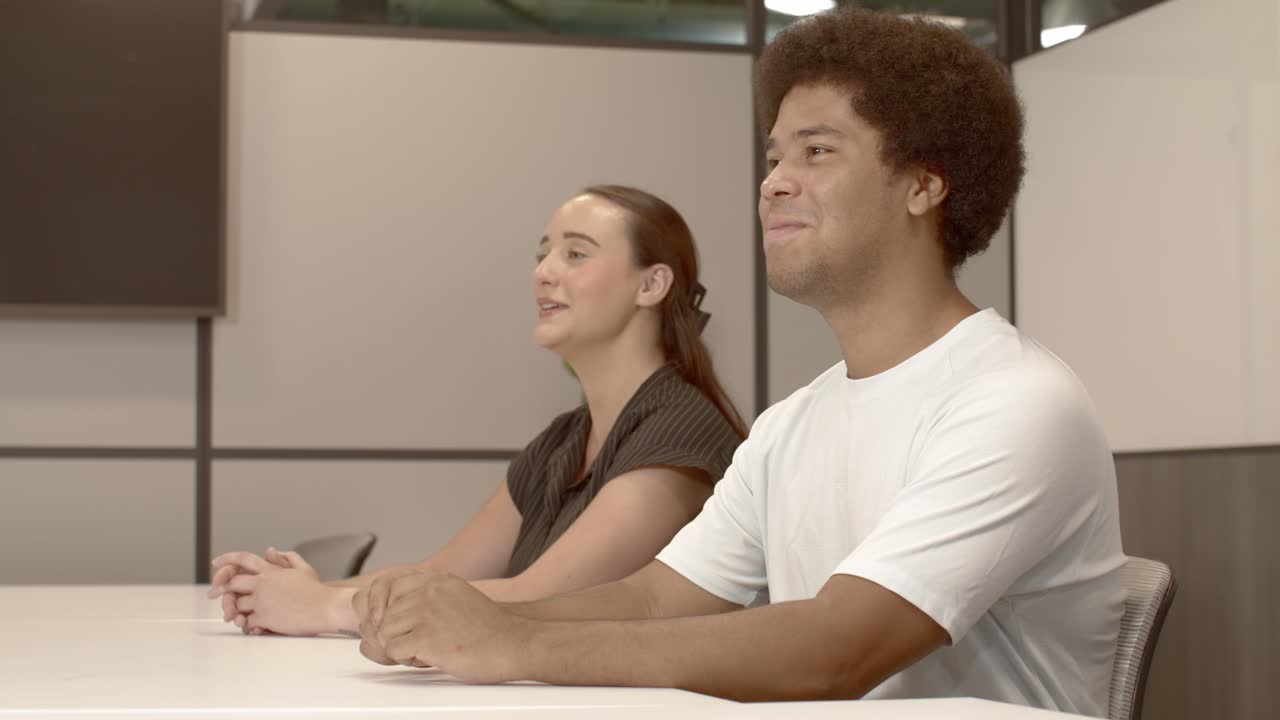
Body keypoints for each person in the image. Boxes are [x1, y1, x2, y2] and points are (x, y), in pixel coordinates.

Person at [350, 8, 1126, 717]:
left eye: (817, 151)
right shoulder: (792, 423)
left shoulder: (1017, 403)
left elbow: (837, 651)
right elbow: (658, 601)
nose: (774, 181)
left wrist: (511, 645)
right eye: (774, 155)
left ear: (923, 185)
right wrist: (463, 621)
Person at [208, 184, 748, 636]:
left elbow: (535, 599)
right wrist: (290, 590)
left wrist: (323, 609)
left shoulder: (682, 432)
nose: (543, 272)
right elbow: (442, 572)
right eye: (542, 255)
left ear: (651, 285)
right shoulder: (565, 439)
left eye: (575, 254)